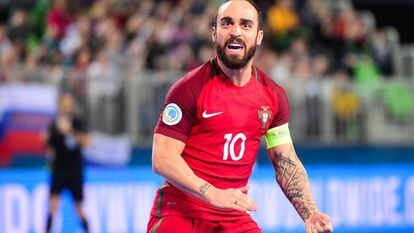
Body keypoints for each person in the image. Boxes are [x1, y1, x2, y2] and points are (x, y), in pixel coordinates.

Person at [147, 1, 333, 232]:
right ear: (214, 33)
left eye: (246, 25)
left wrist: (310, 213)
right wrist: (211, 193)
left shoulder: (273, 97)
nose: (235, 31)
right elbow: (162, 158)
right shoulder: (188, 89)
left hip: (233, 216)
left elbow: (285, 160)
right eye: (227, 24)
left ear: (259, 36)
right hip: (181, 211)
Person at [45, 92, 90, 233]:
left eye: (69, 105)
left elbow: (87, 142)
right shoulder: (54, 125)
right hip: (59, 170)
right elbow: (49, 147)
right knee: (52, 208)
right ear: (59, 106)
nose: (66, 108)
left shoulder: (77, 123)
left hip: (74, 170)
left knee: (79, 209)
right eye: (64, 105)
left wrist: (70, 131)